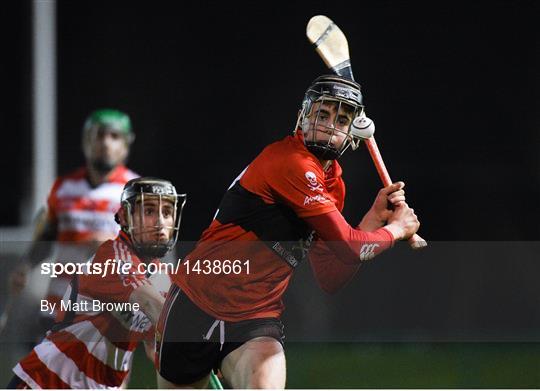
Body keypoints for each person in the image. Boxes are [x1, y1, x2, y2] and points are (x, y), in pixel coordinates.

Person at [155, 75, 420, 388]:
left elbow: (331, 275)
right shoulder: (290, 162)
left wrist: (371, 222)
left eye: (342, 119)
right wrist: (396, 230)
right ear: (304, 116)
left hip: (256, 318)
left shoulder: (333, 183)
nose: (329, 125)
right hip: (196, 303)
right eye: (323, 114)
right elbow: (350, 247)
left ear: (352, 133)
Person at [8, 177, 186, 389]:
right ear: (125, 217)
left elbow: (155, 349)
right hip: (47, 381)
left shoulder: (163, 279)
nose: (159, 222)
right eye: (149, 211)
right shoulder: (112, 257)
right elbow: (152, 306)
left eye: (166, 212)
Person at [8, 109, 138, 330]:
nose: (106, 143)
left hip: (108, 311)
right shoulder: (64, 187)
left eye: (114, 136)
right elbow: (47, 236)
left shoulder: (136, 190)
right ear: (87, 141)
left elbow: (149, 249)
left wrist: (114, 244)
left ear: (126, 145)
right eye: (99, 135)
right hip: (58, 305)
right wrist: (26, 266)